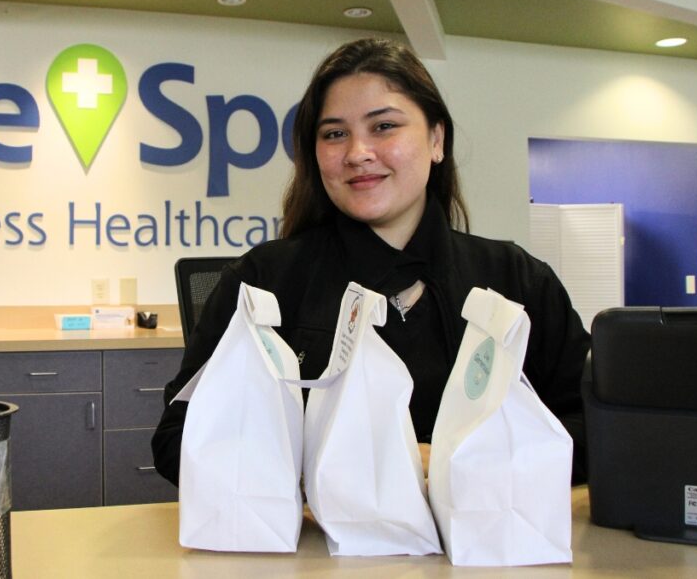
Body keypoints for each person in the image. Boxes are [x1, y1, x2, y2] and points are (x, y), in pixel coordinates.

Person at [151, 37, 590, 485]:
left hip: (486, 548)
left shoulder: (516, 282)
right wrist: (335, 471)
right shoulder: (264, 284)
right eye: (334, 134)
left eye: (383, 127)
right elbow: (177, 440)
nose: (357, 153)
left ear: (436, 139)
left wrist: (460, 465)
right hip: (316, 549)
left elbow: (593, 432)